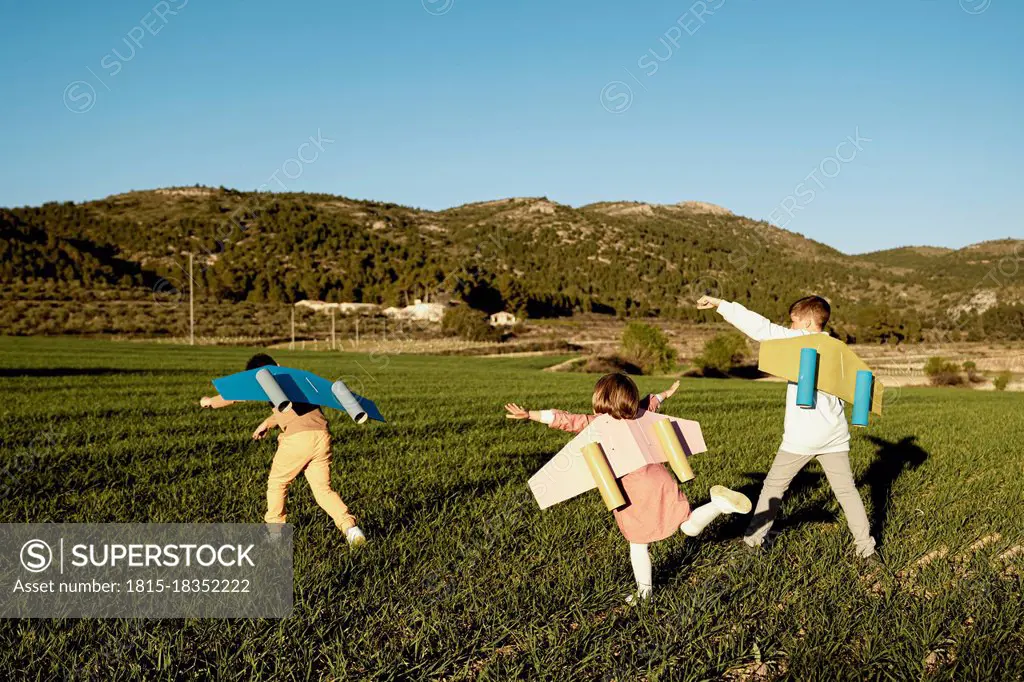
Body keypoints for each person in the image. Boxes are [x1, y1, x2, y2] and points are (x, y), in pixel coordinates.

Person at [505, 373, 750, 602]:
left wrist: (529, 414)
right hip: (661, 481)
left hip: (634, 492)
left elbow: (565, 420)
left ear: (599, 401)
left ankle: (644, 594)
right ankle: (718, 505)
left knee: (637, 543)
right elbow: (651, 402)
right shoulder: (640, 415)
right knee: (687, 525)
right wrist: (666, 393)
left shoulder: (597, 423)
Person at [697, 294, 877, 560]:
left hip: (801, 438)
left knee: (773, 488)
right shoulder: (840, 350)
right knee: (847, 492)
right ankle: (866, 548)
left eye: (792, 322)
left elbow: (760, 327)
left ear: (805, 321)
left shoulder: (797, 340)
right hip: (835, 436)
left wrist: (721, 305)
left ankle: (754, 541)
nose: (788, 327)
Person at [200, 353, 366, 546]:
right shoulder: (298, 378)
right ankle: (351, 529)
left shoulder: (267, 381)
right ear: (278, 364)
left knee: (278, 483)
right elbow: (295, 411)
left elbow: (235, 394)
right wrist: (267, 424)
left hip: (297, 440)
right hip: (322, 437)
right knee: (323, 490)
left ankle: (275, 533)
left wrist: (209, 402)